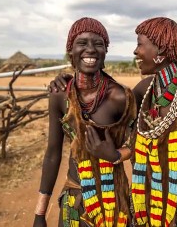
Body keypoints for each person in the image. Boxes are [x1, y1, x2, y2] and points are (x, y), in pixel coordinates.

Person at [50, 17, 177, 226]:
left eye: (140, 44)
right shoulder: (144, 89)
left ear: (161, 52)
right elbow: (130, 131)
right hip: (148, 201)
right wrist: (72, 79)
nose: (135, 51)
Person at [33, 17, 136, 227]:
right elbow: (52, 154)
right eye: (82, 43)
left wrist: (116, 156)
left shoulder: (121, 97)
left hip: (114, 202)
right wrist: (40, 213)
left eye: (98, 44)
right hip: (75, 200)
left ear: (105, 51)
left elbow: (139, 146)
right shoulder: (60, 95)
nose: (90, 49)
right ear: (71, 50)